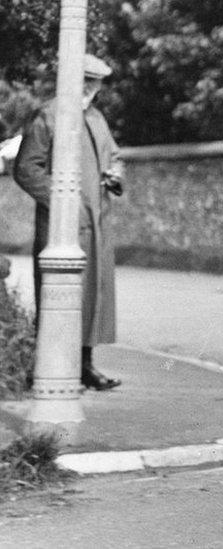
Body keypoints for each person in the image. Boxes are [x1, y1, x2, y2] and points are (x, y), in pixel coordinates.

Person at [13, 54, 123, 391]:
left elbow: (114, 155)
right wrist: (64, 205)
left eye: (96, 82)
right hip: (63, 226)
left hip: (97, 221)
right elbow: (27, 169)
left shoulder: (96, 117)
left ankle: (85, 365)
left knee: (94, 295)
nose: (90, 88)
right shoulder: (48, 116)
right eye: (85, 80)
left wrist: (115, 173)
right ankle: (52, 368)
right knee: (58, 294)